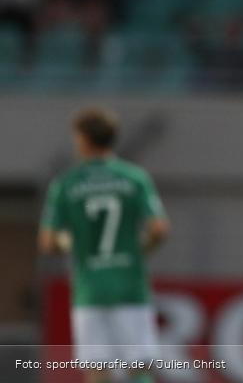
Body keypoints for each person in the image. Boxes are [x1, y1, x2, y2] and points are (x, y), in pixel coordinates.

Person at [38, 107, 169, 383]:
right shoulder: (134, 178)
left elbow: (48, 242)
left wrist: (70, 242)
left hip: (90, 289)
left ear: (83, 139)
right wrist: (139, 249)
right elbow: (159, 228)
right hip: (129, 285)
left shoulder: (65, 184)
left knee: (97, 370)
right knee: (140, 367)